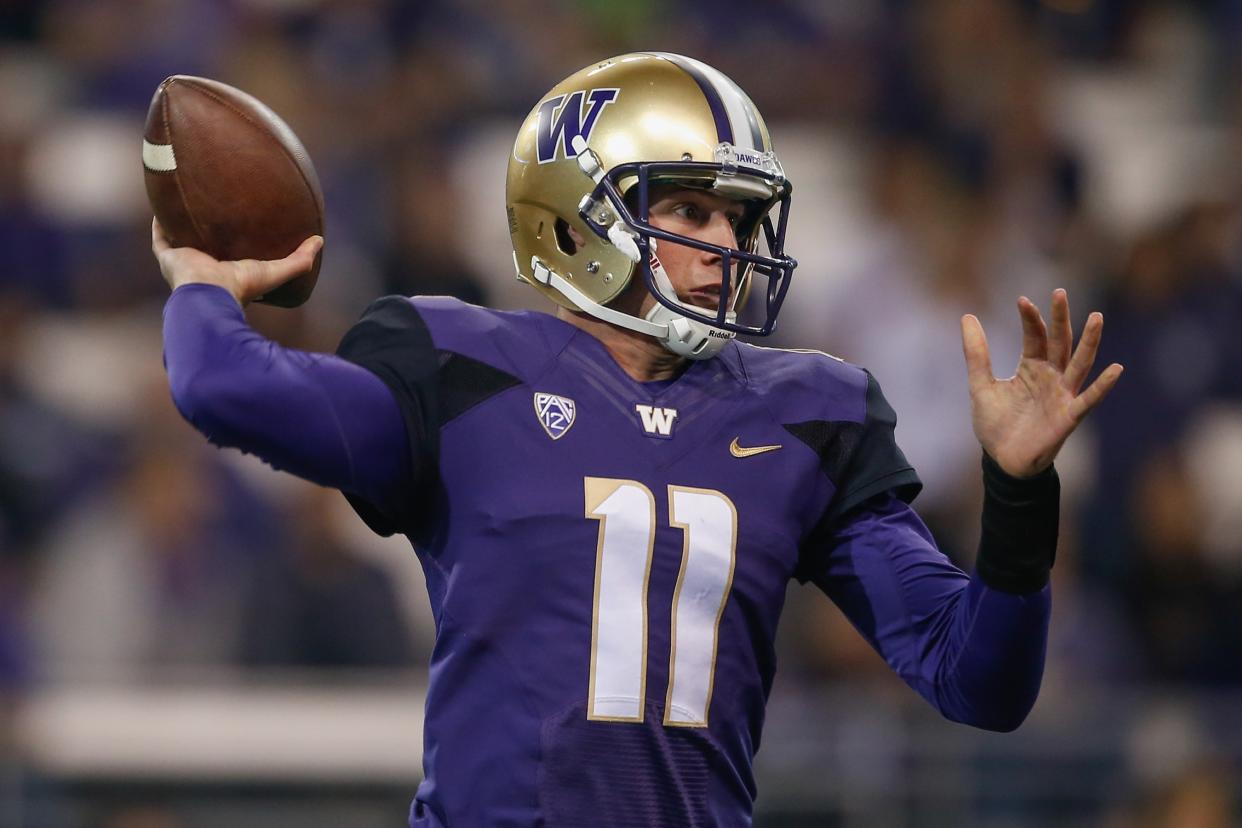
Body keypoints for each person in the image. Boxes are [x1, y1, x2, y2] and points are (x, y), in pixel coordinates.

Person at [154, 52, 1122, 828]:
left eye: (739, 218)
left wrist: (1019, 490)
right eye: (691, 211)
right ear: (577, 217)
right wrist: (203, 278)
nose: (727, 248)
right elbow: (222, 387)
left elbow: (978, 681)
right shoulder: (463, 369)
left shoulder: (803, 412)